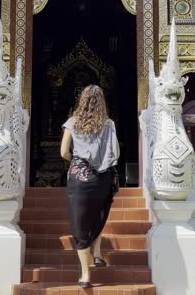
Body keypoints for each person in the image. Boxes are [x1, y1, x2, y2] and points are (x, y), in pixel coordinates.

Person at [60, 85, 120, 289]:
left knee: (80, 223)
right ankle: (97, 254)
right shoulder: (109, 124)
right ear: (102, 102)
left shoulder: (72, 122)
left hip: (79, 177)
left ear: (82, 101)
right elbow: (116, 153)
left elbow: (63, 152)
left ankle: (86, 275)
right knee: (97, 215)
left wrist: (77, 161)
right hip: (103, 178)